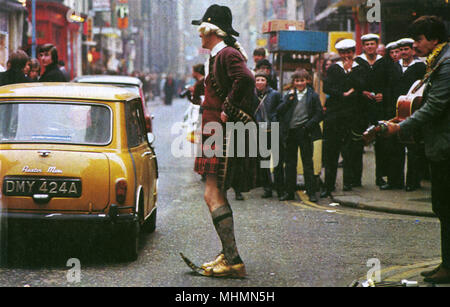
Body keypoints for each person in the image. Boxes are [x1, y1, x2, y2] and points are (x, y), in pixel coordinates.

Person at [191, 4, 258, 277]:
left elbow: (246, 78)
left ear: (211, 30)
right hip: (212, 129)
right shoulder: (218, 55)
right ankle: (228, 254)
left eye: (202, 30)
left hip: (219, 130)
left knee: (212, 193)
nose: (199, 35)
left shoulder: (227, 53)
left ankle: (233, 260)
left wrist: (226, 107)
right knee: (214, 193)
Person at [382, 16, 450, 284]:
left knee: (445, 207)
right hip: (440, 144)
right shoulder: (439, 59)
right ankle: (447, 263)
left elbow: (435, 107)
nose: (415, 46)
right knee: (443, 207)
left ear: (433, 39)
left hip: (445, 146)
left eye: (418, 40)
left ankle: (448, 266)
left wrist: (401, 128)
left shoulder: (446, 64)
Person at [321, 39, 366, 198]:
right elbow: (327, 87)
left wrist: (348, 74)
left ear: (353, 52)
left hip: (352, 116)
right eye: (343, 53)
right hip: (334, 116)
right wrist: (343, 93)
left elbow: (361, 85)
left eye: (349, 52)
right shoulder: (333, 68)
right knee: (331, 153)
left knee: (349, 151)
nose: (346, 56)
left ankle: (348, 183)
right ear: (339, 54)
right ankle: (328, 185)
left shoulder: (359, 68)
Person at [277, 69, 323, 202]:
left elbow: (319, 114)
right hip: (290, 133)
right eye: (297, 81)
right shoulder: (289, 95)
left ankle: (311, 193)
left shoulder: (313, 96)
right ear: (294, 82)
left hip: (305, 132)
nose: (299, 83)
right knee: (290, 164)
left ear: (307, 81)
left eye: (302, 80)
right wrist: (288, 100)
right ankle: (289, 192)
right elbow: (280, 111)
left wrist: (307, 126)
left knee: (308, 163)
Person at [387, 38, 426, 191]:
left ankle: (412, 182)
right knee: (394, 147)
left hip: (413, 111)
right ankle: (394, 181)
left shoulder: (420, 67)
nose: (403, 52)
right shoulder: (394, 67)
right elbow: (388, 88)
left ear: (412, 50)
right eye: (401, 49)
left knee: (413, 149)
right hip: (396, 111)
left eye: (406, 49)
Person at [356, 34, 389, 188]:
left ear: (377, 45)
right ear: (363, 46)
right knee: (358, 142)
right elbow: (352, 83)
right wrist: (362, 92)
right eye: (367, 44)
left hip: (379, 108)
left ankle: (380, 177)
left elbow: (390, 83)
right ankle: (356, 178)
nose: (370, 46)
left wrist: (384, 94)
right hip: (361, 108)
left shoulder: (384, 62)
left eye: (372, 44)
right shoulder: (358, 62)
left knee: (381, 143)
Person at [253, 70, 283, 199]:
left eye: (262, 80)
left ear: (267, 82)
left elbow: (281, 109)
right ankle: (267, 188)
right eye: (257, 80)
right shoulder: (252, 96)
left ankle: (280, 189)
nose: (260, 82)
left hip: (273, 129)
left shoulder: (275, 94)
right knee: (264, 162)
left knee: (276, 162)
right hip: (260, 130)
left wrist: (276, 118)